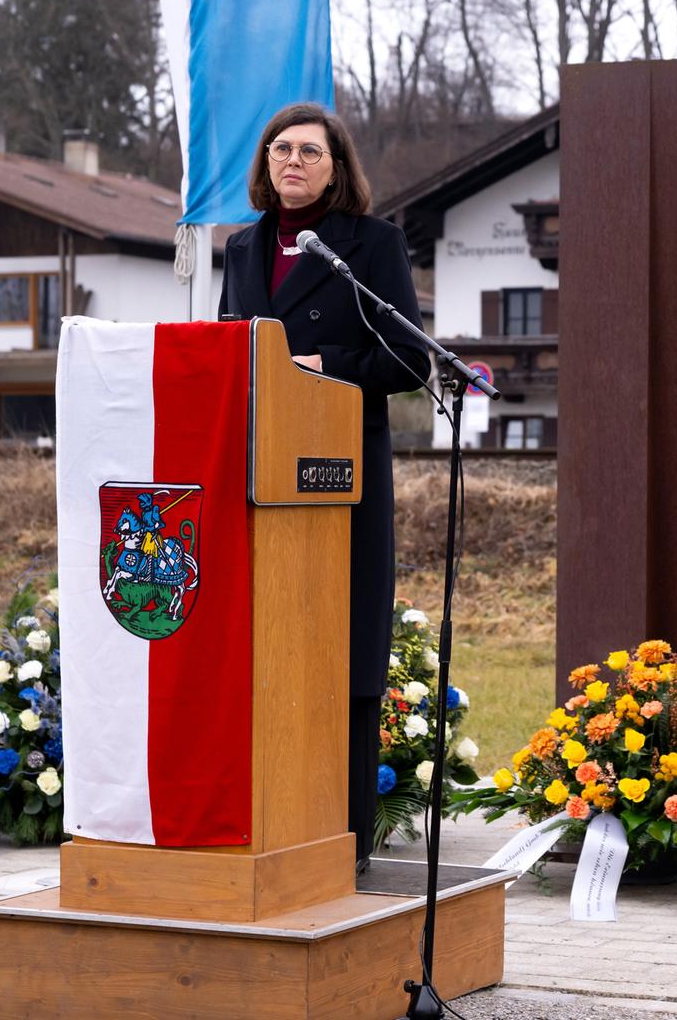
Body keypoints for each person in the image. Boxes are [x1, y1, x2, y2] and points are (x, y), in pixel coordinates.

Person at [220, 102, 431, 873]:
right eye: (280, 150)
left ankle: (342, 838)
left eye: (310, 151)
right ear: (265, 165)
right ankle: (268, 825)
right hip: (259, 481)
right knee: (263, 652)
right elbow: (226, 352)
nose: (293, 162)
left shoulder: (369, 246)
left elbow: (410, 362)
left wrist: (322, 366)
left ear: (337, 166)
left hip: (340, 479)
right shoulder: (242, 248)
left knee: (342, 656)